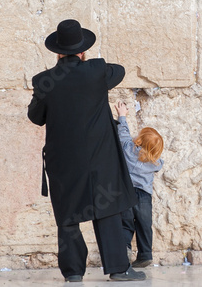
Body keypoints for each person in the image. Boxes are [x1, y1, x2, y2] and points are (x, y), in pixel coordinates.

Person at [27, 19, 146, 282]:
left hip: (64, 162)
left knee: (68, 216)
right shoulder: (97, 71)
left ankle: (73, 274)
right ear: (82, 51)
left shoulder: (44, 81)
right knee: (107, 210)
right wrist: (88, 65)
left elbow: (36, 117)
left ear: (57, 52)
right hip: (100, 159)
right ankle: (118, 269)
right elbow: (121, 70)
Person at [114, 101, 164, 268]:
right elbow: (158, 163)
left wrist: (122, 115)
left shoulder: (128, 148)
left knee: (126, 222)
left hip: (126, 192)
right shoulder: (156, 163)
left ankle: (125, 249)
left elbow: (123, 134)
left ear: (139, 139)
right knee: (144, 224)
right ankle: (145, 254)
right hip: (144, 194)